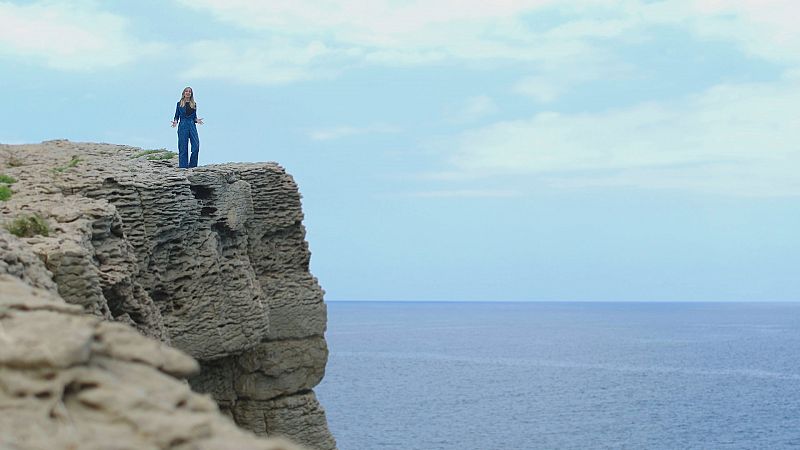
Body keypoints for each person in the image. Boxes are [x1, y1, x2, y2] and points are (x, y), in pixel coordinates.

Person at [171, 86, 204, 168]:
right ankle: (183, 167)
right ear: (184, 93)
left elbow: (194, 117)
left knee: (196, 146)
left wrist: (197, 120)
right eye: (186, 91)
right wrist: (175, 122)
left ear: (191, 94)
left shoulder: (194, 104)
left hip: (192, 126)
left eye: (189, 91)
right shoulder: (179, 104)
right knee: (183, 147)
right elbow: (176, 116)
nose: (188, 92)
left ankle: (192, 166)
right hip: (183, 126)